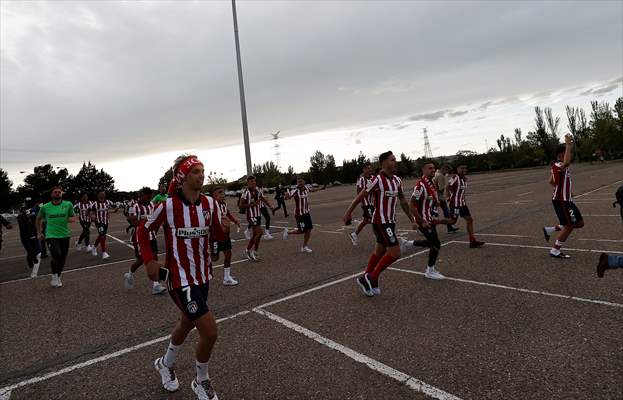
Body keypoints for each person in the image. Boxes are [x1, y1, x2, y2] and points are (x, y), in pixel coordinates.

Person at [137, 155, 224, 400]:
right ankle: (201, 381)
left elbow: (216, 232)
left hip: (203, 275)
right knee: (210, 331)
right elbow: (143, 233)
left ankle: (165, 363)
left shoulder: (209, 204)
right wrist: (149, 260)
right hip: (179, 279)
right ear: (182, 177)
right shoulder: (167, 206)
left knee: (187, 322)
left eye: (203, 170)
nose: (202, 175)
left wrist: (220, 236)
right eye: (196, 171)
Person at [342, 151, 416, 296]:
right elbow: (360, 196)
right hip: (380, 221)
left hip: (390, 222)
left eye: (396, 160)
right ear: (383, 163)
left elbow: (403, 201)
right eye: (392, 160)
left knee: (379, 252)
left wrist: (412, 219)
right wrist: (348, 212)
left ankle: (367, 277)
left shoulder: (397, 180)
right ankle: (371, 278)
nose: (396, 162)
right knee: (395, 253)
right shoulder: (376, 180)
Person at [411, 163, 457, 279]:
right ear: (423, 170)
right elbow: (412, 205)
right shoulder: (420, 186)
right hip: (424, 221)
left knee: (433, 243)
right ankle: (429, 271)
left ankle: (408, 244)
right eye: (429, 168)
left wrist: (435, 207)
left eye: (433, 168)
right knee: (436, 244)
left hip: (430, 219)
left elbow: (430, 202)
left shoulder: (430, 184)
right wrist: (421, 221)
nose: (432, 170)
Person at [542, 134, 584, 258]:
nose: (568, 154)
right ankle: (555, 250)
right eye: (566, 152)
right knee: (570, 226)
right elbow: (567, 162)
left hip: (565, 199)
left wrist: (565, 190)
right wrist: (568, 144)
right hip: (562, 201)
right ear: (560, 154)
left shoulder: (558, 167)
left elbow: (551, 181)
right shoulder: (558, 165)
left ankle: (549, 230)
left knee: (580, 223)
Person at [124, 187, 167, 294]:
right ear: (141, 195)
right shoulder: (134, 207)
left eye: (150, 197)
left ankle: (156, 285)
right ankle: (129, 274)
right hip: (139, 237)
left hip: (152, 236)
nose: (148, 199)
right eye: (146, 197)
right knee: (141, 261)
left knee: (154, 257)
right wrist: (145, 222)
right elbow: (133, 221)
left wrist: (154, 226)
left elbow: (156, 220)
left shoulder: (152, 205)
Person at [36, 186, 76, 287]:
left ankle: (58, 276)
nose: (57, 193)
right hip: (51, 235)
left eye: (59, 192)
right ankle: (54, 276)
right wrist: (39, 232)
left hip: (65, 234)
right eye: (55, 192)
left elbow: (72, 216)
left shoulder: (68, 204)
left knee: (62, 258)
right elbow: (38, 219)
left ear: (62, 194)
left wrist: (70, 219)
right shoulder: (45, 207)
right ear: (51, 194)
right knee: (56, 254)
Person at [446, 164, 485, 248]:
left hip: (462, 204)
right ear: (457, 169)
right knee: (452, 221)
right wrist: (448, 198)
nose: (464, 169)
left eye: (465, 168)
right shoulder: (455, 177)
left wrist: (464, 201)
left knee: (470, 220)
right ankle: (434, 222)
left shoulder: (464, 179)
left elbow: (462, 192)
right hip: (455, 204)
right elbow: (447, 187)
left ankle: (472, 241)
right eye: (462, 168)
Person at [210, 186, 242, 285]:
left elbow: (227, 213)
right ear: (214, 195)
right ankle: (204, 263)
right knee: (215, 258)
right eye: (220, 192)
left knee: (228, 254)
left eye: (223, 192)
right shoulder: (211, 206)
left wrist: (235, 220)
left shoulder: (224, 204)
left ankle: (227, 277)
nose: (222, 194)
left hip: (225, 235)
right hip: (215, 237)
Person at [239, 176, 273, 262]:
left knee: (255, 235)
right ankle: (255, 252)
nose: (253, 183)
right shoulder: (246, 193)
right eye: (251, 181)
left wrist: (270, 206)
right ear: (248, 183)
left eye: (254, 181)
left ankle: (247, 251)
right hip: (251, 216)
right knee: (260, 232)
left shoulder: (257, 190)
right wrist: (251, 205)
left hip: (257, 215)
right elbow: (241, 205)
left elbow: (262, 199)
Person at [282, 177, 319, 253]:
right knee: (301, 231)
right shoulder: (295, 191)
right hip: (299, 214)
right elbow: (288, 197)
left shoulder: (306, 188)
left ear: (304, 182)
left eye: (301, 181)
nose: (300, 183)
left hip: (307, 213)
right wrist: (286, 196)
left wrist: (318, 189)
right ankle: (288, 232)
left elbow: (311, 190)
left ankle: (304, 247)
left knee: (308, 230)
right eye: (298, 182)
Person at [349, 162, 375, 246]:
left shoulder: (373, 178)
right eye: (367, 168)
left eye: (370, 168)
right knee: (373, 220)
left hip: (373, 203)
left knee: (366, 220)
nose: (369, 170)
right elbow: (358, 193)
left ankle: (354, 234)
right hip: (366, 204)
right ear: (363, 169)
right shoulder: (361, 180)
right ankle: (380, 239)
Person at [90, 190, 117, 259]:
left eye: (103, 194)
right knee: (102, 236)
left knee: (102, 235)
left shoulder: (108, 202)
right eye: (101, 194)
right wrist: (92, 216)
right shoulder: (95, 203)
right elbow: (89, 210)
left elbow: (115, 207)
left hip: (106, 221)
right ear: (98, 195)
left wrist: (114, 210)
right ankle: (104, 253)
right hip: (99, 222)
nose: (102, 195)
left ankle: (94, 247)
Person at [432, 165, 459, 233]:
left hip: (433, 196)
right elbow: (441, 189)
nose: (447, 173)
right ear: (444, 169)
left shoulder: (436, 173)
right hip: (439, 197)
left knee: (431, 212)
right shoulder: (441, 176)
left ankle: (423, 226)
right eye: (447, 171)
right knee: (446, 212)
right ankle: (449, 228)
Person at [17, 203, 41, 277]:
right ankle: (31, 261)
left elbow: (37, 221)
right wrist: (26, 216)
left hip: (34, 236)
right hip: (26, 237)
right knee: (30, 251)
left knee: (38, 251)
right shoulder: (20, 217)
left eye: (26, 210)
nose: (25, 211)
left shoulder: (33, 216)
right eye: (23, 210)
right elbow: (22, 220)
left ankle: (33, 259)